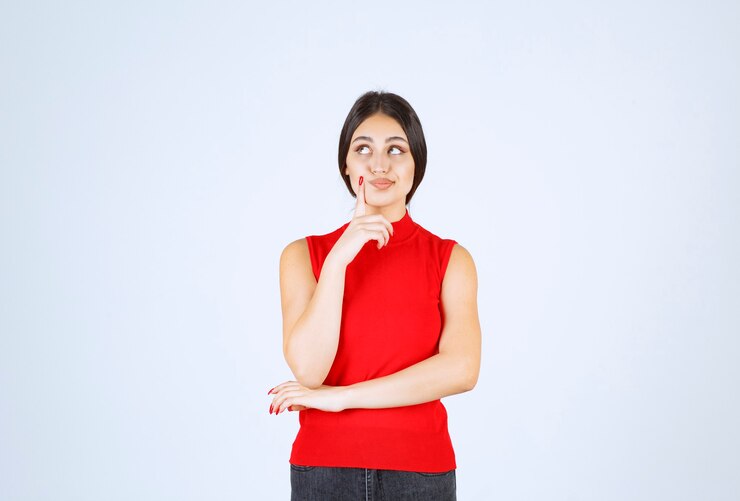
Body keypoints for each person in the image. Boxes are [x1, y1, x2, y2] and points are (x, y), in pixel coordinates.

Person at [267, 90, 481, 500]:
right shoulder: (303, 256)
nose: (379, 164)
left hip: (420, 472)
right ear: (346, 165)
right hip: (324, 472)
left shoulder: (450, 260)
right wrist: (339, 258)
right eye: (363, 148)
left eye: (396, 149)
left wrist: (339, 399)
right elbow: (310, 371)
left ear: (416, 164)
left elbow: (462, 369)